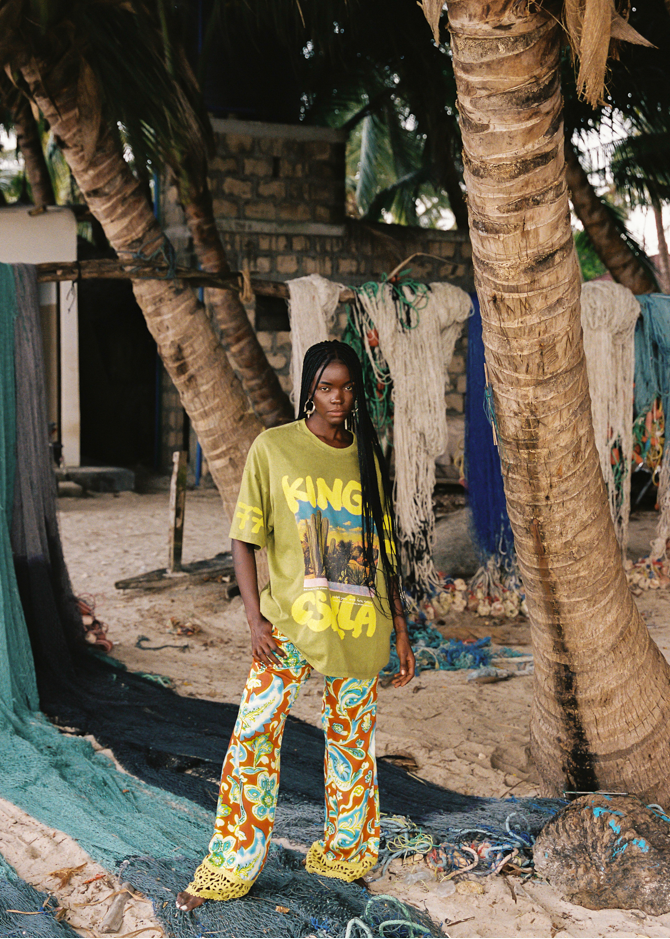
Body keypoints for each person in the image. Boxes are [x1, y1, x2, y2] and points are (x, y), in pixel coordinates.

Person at [176, 340, 415, 911]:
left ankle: (346, 852)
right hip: (286, 623)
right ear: (309, 389)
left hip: (359, 625)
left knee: (353, 742)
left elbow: (382, 551)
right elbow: (244, 535)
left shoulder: (367, 457)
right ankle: (231, 862)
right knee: (254, 735)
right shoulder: (274, 447)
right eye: (326, 387)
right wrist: (253, 616)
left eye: (346, 387)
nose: (337, 399)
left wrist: (400, 626)